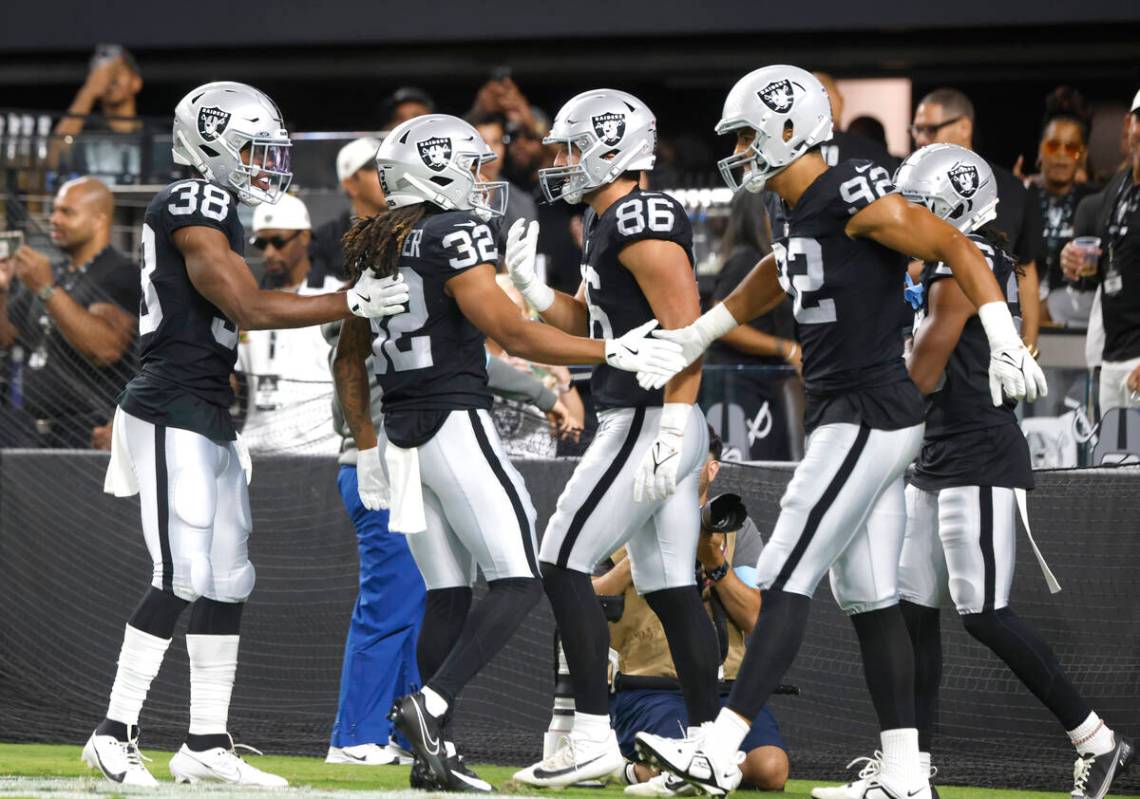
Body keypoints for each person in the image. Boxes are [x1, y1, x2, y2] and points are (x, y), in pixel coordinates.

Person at [631, 65, 1045, 798]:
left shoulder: (852, 191)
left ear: (792, 129)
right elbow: (777, 271)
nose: (738, 148)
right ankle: (908, 772)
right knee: (871, 595)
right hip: (851, 411)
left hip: (868, 410)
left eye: (749, 133)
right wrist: (699, 332)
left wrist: (1003, 334)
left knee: (789, 567)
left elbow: (954, 244)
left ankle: (718, 745)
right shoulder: (793, 205)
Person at [331, 113, 685, 792]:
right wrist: (608, 348)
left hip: (400, 431)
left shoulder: (373, 243)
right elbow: (509, 335)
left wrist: (369, 447)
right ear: (434, 171)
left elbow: (349, 362)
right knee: (522, 576)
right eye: (472, 166)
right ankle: (429, 707)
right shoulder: (451, 232)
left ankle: (431, 756)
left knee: (447, 594)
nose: (482, 180)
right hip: (452, 422)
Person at [81, 80, 409, 788]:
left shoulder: (215, 206)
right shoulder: (192, 199)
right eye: (254, 148)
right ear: (212, 142)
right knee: (182, 572)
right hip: (169, 407)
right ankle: (113, 732)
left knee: (229, 577)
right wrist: (350, 298)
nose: (265, 163)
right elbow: (246, 304)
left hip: (204, 409)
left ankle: (204, 742)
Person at [813, 144, 1134, 799]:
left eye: (917, 207)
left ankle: (1098, 741)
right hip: (942, 456)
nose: (903, 218)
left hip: (977, 457)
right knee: (911, 612)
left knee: (984, 611)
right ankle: (910, 773)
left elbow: (922, 370)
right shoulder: (965, 259)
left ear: (952, 207)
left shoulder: (964, 263)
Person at [506, 88, 721, 790]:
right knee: (670, 587)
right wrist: (535, 293)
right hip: (652, 419)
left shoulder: (638, 215)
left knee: (560, 556)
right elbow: (598, 324)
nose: (561, 161)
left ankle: (591, 737)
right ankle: (707, 748)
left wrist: (678, 424)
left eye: (571, 148)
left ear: (611, 148)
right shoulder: (608, 220)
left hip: (652, 419)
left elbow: (687, 332)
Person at [602, 427, 789, 795]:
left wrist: (714, 563)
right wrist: (640, 554)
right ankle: (632, 768)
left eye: (693, 460)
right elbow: (587, 595)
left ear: (713, 469)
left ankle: (703, 764)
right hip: (652, 685)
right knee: (673, 776)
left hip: (726, 688)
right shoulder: (625, 520)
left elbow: (755, 617)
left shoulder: (735, 527)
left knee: (771, 770)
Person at [0, 176, 139, 449]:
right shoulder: (57, 273)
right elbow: (7, 336)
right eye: (53, 210)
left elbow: (105, 349)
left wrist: (47, 289)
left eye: (67, 212)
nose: (54, 219)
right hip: (30, 432)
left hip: (86, 434)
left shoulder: (119, 274)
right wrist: (1, 288)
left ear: (99, 219)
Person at [911, 87, 1044, 352]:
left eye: (930, 129)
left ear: (963, 127)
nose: (921, 140)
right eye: (916, 130)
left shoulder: (1011, 189)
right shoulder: (909, 188)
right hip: (926, 336)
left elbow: (1025, 269)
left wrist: (1029, 343)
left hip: (993, 343)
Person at [236, 193, 342, 455]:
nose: (269, 253)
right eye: (261, 243)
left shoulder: (338, 297)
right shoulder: (248, 304)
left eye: (278, 242)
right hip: (257, 448)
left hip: (321, 449)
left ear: (304, 237)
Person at [1061, 88, 1140, 414]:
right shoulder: (1118, 188)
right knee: (1112, 463)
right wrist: (1074, 264)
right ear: (1128, 125)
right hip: (1112, 359)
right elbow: (1105, 270)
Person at [1033, 88, 1099, 327]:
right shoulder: (1021, 196)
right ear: (1040, 150)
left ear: (1082, 156)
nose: (1061, 155)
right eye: (1053, 146)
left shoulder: (1095, 202)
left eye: (1071, 148)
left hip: (1074, 321)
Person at [308, 136, 385, 287]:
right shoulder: (326, 240)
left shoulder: (416, 228)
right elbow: (316, 294)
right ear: (350, 184)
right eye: (376, 169)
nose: (386, 175)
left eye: (388, 167)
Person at [468, 111, 539, 250]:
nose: (490, 152)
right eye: (482, 142)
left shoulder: (522, 202)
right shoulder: (448, 199)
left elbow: (521, 258)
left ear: (504, 147)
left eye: (496, 142)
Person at [54, 46, 145, 138]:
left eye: (118, 72)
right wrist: (88, 92)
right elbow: (57, 150)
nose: (112, 80)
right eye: (106, 74)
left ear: (136, 82)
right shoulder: (84, 134)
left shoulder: (152, 136)